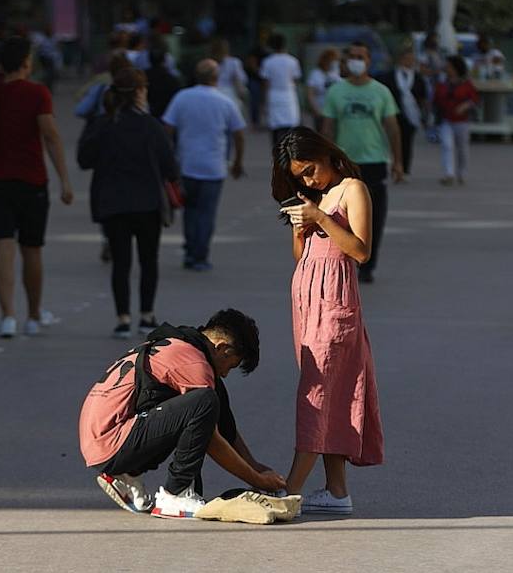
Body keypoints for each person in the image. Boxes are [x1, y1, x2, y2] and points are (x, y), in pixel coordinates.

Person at [78, 309, 284, 519]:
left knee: (210, 396)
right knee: (204, 401)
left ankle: (128, 474)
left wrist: (255, 467)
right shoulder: (194, 363)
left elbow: (225, 427)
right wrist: (256, 481)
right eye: (230, 365)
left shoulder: (182, 345)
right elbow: (211, 439)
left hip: (102, 440)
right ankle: (175, 494)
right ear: (222, 347)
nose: (225, 373)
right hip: (111, 442)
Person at [274, 128, 383, 516]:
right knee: (329, 392)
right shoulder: (313, 197)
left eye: (310, 170)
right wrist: (301, 226)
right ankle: (337, 491)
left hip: (335, 301)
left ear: (327, 156)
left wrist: (320, 215)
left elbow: (360, 250)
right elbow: (301, 254)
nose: (307, 179)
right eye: (299, 175)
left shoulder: (352, 188)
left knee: (316, 394)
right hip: (307, 299)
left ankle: (288, 490)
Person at [0, 37, 74, 338]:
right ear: (25, 62)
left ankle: (6, 315)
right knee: (32, 249)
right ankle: (33, 315)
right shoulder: (37, 93)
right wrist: (64, 179)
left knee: (3, 245)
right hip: (32, 180)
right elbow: (49, 134)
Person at [78, 68, 178, 339]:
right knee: (149, 260)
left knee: (120, 262)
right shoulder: (151, 125)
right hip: (147, 203)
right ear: (138, 93)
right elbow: (170, 166)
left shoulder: (102, 123)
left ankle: (122, 317)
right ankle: (147, 315)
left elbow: (83, 159)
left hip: (113, 203)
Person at [322, 42, 403, 283]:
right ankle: (340, 260)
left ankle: (367, 265)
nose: (356, 60)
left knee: (374, 217)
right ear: (345, 62)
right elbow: (327, 128)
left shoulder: (381, 92)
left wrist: (398, 162)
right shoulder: (336, 91)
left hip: (374, 161)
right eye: (352, 56)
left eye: (361, 56)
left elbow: (392, 128)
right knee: (337, 216)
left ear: (368, 61)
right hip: (343, 163)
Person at [162, 59, 246, 272]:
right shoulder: (225, 101)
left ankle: (190, 250)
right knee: (206, 213)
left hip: (187, 164)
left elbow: (167, 128)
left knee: (189, 210)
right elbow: (239, 133)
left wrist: (168, 157)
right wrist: (237, 161)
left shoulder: (182, 97)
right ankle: (200, 255)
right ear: (216, 77)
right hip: (214, 167)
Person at [379, 48, 428, 178]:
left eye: (412, 59)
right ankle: (393, 164)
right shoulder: (390, 76)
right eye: (407, 58)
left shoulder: (417, 77)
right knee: (391, 141)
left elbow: (423, 97)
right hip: (393, 114)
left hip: (411, 116)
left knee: (406, 143)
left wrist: (424, 114)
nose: (410, 61)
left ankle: (404, 168)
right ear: (401, 59)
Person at [433, 56, 478, 186]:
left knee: (462, 148)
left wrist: (464, 106)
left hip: (462, 121)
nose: (447, 69)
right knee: (447, 146)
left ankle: (462, 173)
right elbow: (436, 99)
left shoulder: (466, 83)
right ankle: (449, 174)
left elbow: (474, 99)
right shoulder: (443, 83)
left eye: (449, 67)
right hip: (446, 120)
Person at [259, 33, 302, 146]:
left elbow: (265, 83)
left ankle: (277, 155)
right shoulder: (293, 61)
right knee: (290, 126)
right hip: (289, 95)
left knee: (275, 128)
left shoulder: (268, 62)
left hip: (273, 95)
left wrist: (264, 102)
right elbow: (296, 80)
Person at [210, 38, 249, 117]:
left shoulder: (209, 63)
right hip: (230, 95)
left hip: (212, 95)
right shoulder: (234, 62)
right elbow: (239, 81)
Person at [305, 48, 341, 130]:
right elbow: (310, 95)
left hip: (335, 113)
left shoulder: (336, 73)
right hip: (321, 112)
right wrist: (317, 111)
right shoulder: (315, 74)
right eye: (332, 60)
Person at [144, 47, 180, 118]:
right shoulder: (171, 78)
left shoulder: (144, 77)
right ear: (164, 60)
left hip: (149, 114)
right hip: (166, 114)